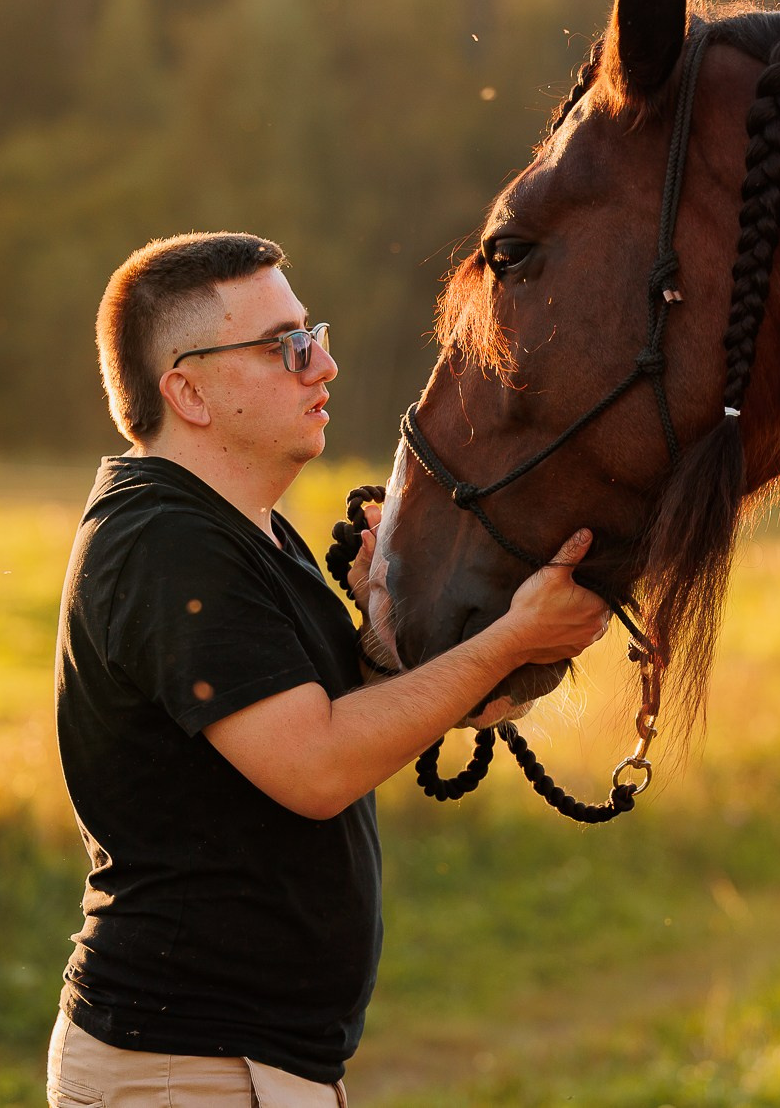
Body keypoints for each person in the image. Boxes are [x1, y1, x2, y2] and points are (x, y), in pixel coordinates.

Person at [47, 231, 609, 1107]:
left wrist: (389, 636)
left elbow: (341, 723)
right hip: (184, 1071)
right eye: (285, 346)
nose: (325, 366)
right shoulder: (164, 543)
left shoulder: (246, 529)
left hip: (240, 1064)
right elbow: (315, 766)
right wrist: (509, 640)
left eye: (313, 334)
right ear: (187, 391)